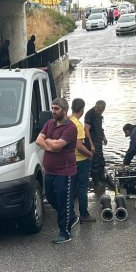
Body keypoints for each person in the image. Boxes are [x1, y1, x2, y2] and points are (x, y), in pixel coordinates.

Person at [36, 97, 78, 243]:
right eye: (52, 108)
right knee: (51, 198)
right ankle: (71, 216)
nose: (53, 112)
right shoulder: (49, 123)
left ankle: (65, 233)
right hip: (50, 171)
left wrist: (49, 143)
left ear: (65, 110)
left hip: (64, 172)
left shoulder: (71, 128)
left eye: (56, 109)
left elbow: (57, 145)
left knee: (63, 202)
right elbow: (38, 140)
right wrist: (50, 144)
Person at [69, 98, 95, 223]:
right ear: (82, 110)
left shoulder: (67, 121)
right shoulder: (78, 125)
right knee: (83, 188)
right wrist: (90, 154)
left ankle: (70, 214)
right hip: (80, 161)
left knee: (71, 188)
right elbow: (79, 146)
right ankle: (84, 215)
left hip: (69, 160)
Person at [83, 99, 107, 193]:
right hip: (92, 140)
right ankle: (96, 181)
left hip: (98, 140)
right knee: (95, 161)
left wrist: (104, 137)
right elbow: (86, 130)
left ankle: (102, 177)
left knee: (100, 158)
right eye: (99, 109)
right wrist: (91, 144)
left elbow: (100, 127)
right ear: (96, 106)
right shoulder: (89, 114)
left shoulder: (99, 114)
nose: (100, 111)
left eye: (102, 110)